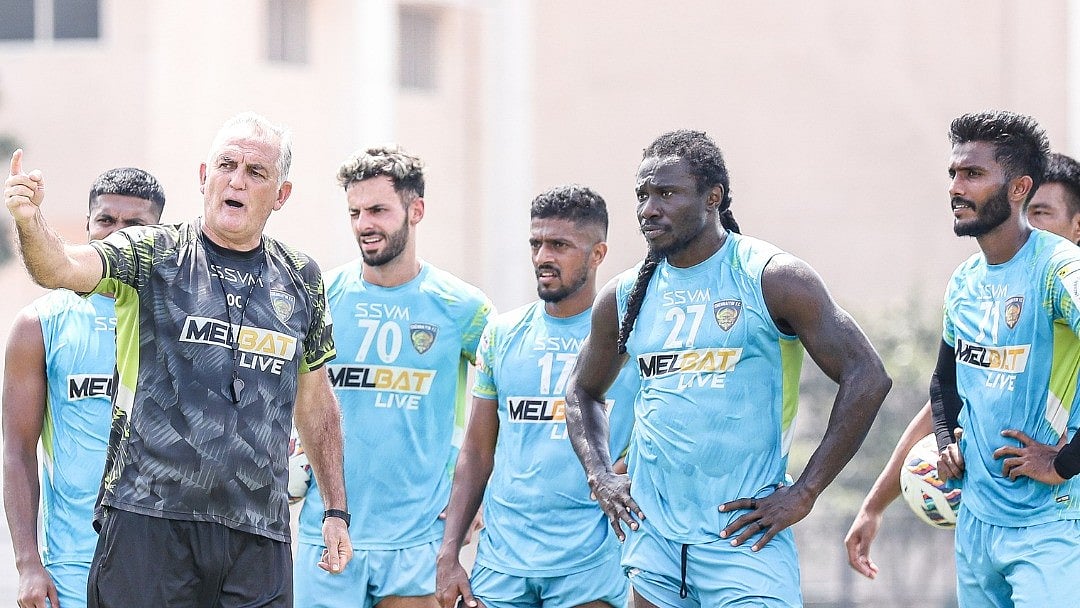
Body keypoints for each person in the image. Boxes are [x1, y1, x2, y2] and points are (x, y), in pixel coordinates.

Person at [3, 112, 352, 607]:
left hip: (258, 535)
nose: (237, 180)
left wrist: (336, 509)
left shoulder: (301, 276)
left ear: (281, 195)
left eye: (256, 172)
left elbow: (316, 402)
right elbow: (60, 267)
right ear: (204, 176)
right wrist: (29, 220)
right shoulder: (153, 252)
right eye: (226, 165)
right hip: (149, 520)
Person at [563, 129, 892, 608]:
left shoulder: (772, 277)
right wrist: (601, 477)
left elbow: (867, 376)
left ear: (712, 197)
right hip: (655, 543)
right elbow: (581, 391)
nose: (648, 209)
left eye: (666, 193)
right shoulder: (625, 294)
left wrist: (805, 492)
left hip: (745, 539)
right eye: (642, 195)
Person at [844, 150, 1080, 579]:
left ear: (1077, 226)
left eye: (1041, 213)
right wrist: (875, 504)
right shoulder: (986, 290)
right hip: (991, 529)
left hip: (1060, 521)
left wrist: (1065, 462)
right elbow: (947, 398)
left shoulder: (1062, 294)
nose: (1027, 224)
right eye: (1025, 211)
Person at [294, 145, 494, 608]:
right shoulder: (320, 296)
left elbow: (507, 398)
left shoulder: (463, 307)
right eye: (355, 212)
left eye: (378, 210)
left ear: (415, 210)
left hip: (417, 539)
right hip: (328, 530)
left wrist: (482, 490)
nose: (364, 224)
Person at [435, 184, 637, 608]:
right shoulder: (503, 333)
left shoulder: (629, 340)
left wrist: (628, 467)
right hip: (502, 562)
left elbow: (660, 430)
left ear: (597, 254)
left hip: (590, 563)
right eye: (536, 244)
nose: (543, 257)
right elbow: (476, 451)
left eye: (559, 245)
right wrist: (449, 553)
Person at [928, 110, 1080, 607]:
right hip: (976, 524)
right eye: (954, 173)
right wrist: (948, 443)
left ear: (1019, 188)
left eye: (973, 174)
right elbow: (944, 382)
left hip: (1051, 524)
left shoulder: (1059, 269)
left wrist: (1065, 462)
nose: (956, 187)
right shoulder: (964, 280)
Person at [3, 167, 165, 608]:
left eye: (134, 225)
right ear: (88, 224)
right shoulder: (39, 323)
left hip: (166, 562)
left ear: (158, 234)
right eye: (105, 220)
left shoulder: (178, 322)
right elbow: (18, 451)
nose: (117, 235)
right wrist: (28, 563)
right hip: (72, 565)